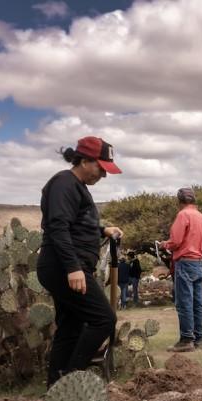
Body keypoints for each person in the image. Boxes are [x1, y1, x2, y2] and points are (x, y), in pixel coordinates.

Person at [36, 136, 123, 387]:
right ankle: (72, 382)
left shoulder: (77, 186)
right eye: (101, 168)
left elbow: (77, 223)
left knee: (70, 327)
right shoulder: (64, 183)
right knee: (104, 319)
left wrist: (102, 229)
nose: (103, 176)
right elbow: (58, 227)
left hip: (68, 266)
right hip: (63, 267)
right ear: (85, 160)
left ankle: (56, 386)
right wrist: (73, 268)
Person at [162, 187, 202, 352]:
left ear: (179, 201)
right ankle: (199, 338)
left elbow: (175, 241)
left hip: (185, 262)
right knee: (197, 303)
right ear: (193, 200)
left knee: (184, 303)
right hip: (199, 262)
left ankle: (187, 339)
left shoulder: (183, 215)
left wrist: (165, 244)